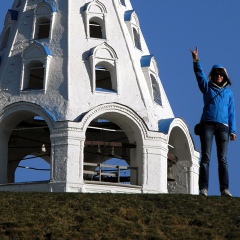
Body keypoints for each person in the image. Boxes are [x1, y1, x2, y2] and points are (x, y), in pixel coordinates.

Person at [190, 46, 236, 197]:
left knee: (223, 159)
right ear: (213, 76)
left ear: (225, 77)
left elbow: (231, 112)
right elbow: (200, 76)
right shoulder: (207, 87)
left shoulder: (228, 93)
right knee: (206, 157)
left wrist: (233, 130)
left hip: (223, 127)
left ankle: (225, 189)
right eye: (216, 74)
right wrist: (196, 61)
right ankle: (203, 188)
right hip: (208, 125)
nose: (219, 77)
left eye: (221, 75)